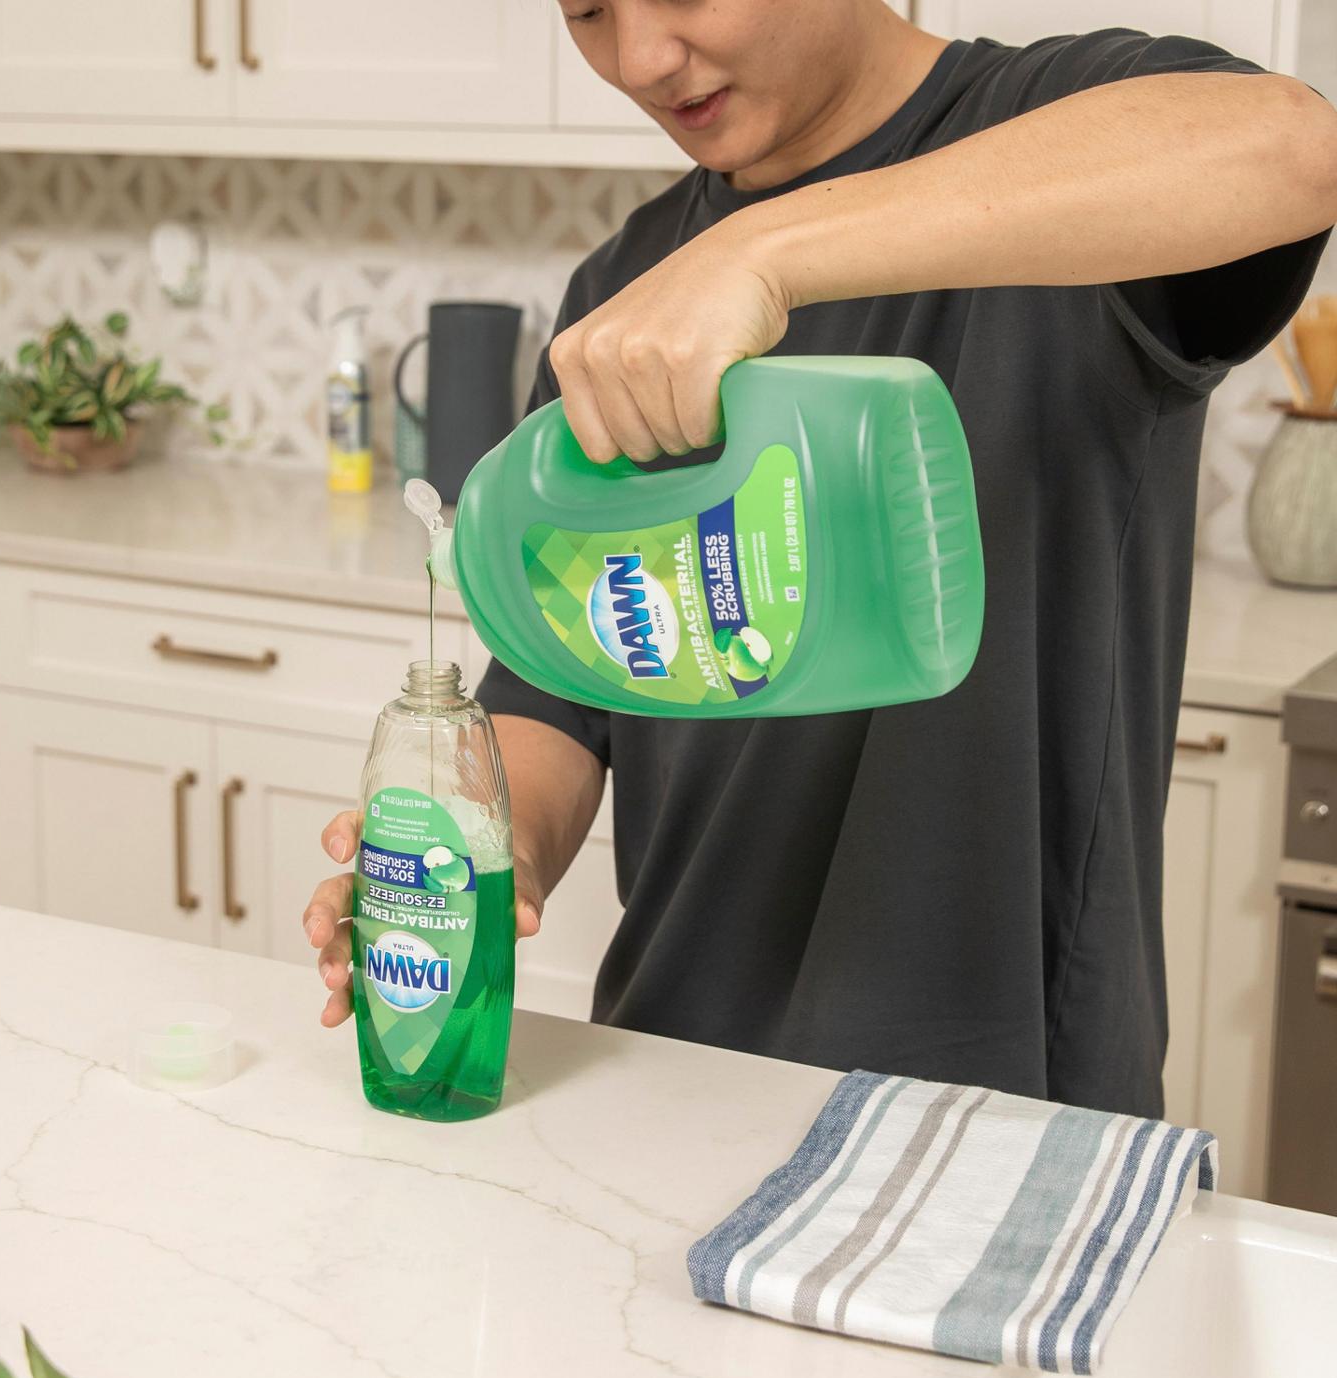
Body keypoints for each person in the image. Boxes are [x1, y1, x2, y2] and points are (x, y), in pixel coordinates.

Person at [302, 0, 1337, 1117]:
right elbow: (561, 690)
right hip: (676, 1071)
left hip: (1001, 1101)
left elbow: (1293, 146)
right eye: (588, 10)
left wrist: (763, 253)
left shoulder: (1051, 130)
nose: (639, 57)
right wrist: (475, 853)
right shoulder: (628, 290)